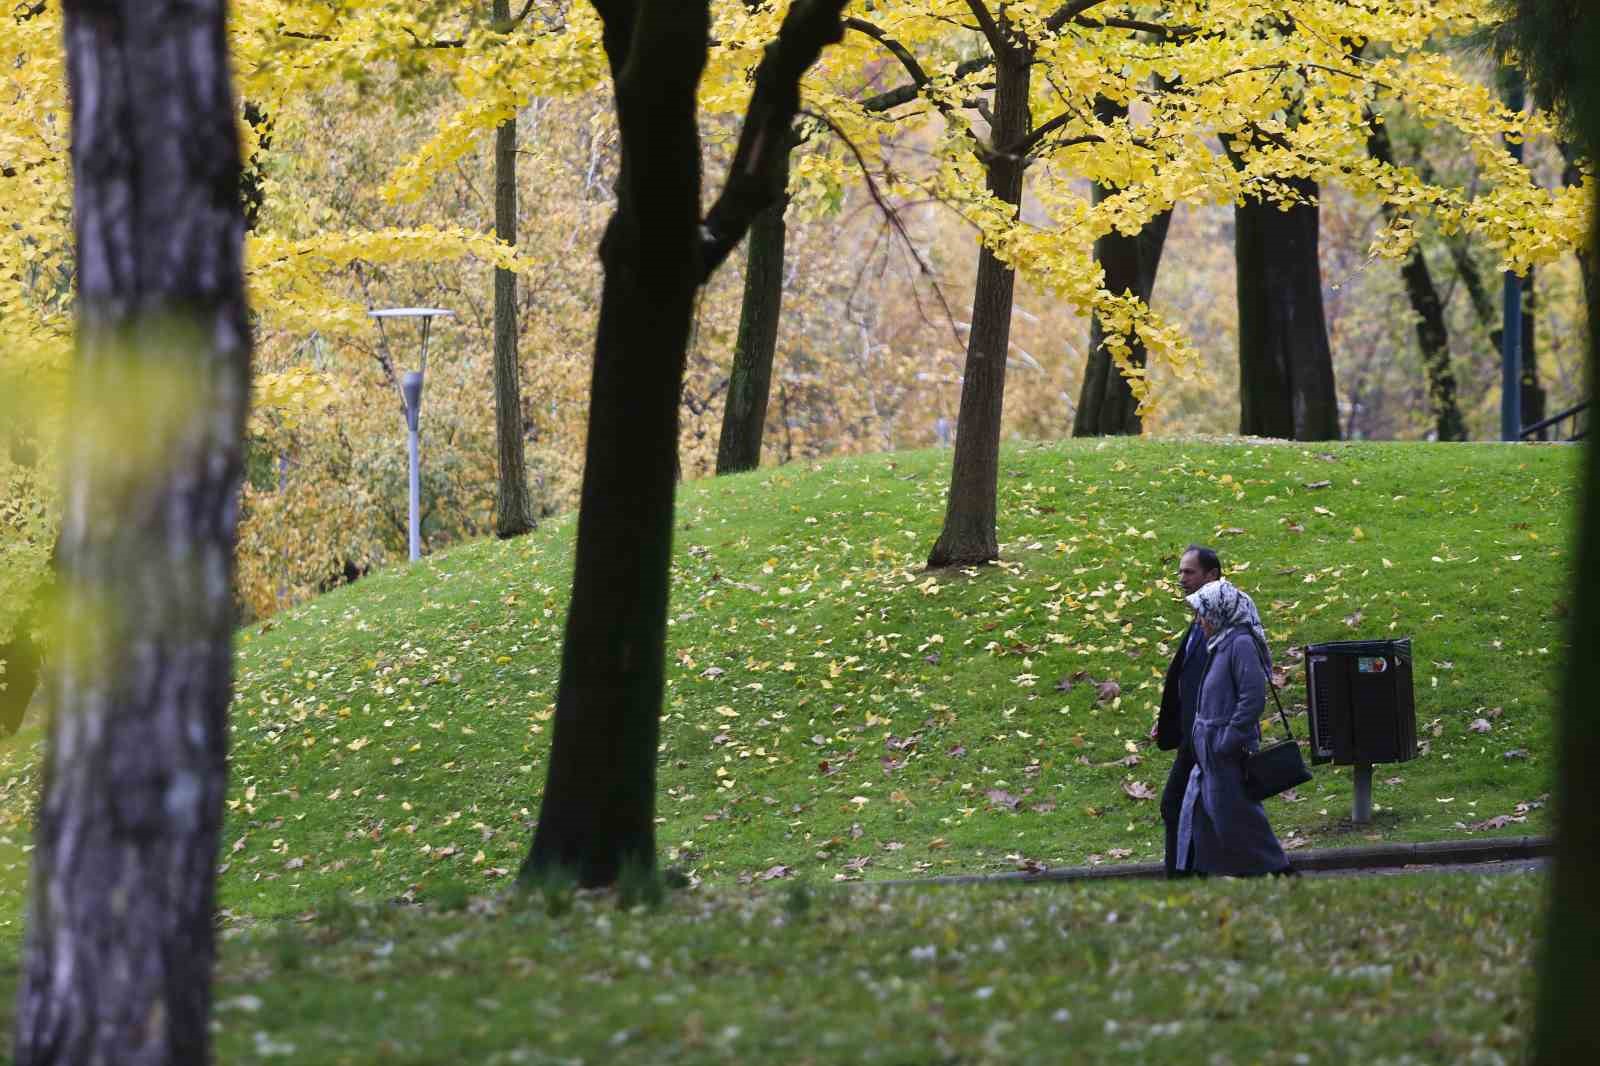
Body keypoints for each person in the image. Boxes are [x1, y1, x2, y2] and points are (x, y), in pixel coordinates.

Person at [1174, 578, 1292, 877]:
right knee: (1203, 822)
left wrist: (1227, 740)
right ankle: (1208, 882)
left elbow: (1252, 699)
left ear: (1219, 611)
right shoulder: (1221, 641)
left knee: (1239, 823)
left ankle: (1281, 876)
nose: (1199, 620)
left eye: (1203, 613)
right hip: (1210, 752)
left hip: (1225, 753)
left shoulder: (1239, 643)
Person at [1153, 545, 1221, 878]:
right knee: (1195, 811)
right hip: (1193, 737)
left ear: (1212, 576)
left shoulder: (1220, 622)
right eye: (1180, 572)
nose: (1182, 579)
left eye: (1189, 572)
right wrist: (1172, 721)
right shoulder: (1200, 619)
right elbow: (1187, 677)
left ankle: (1183, 881)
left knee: (1177, 805)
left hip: (1209, 740)